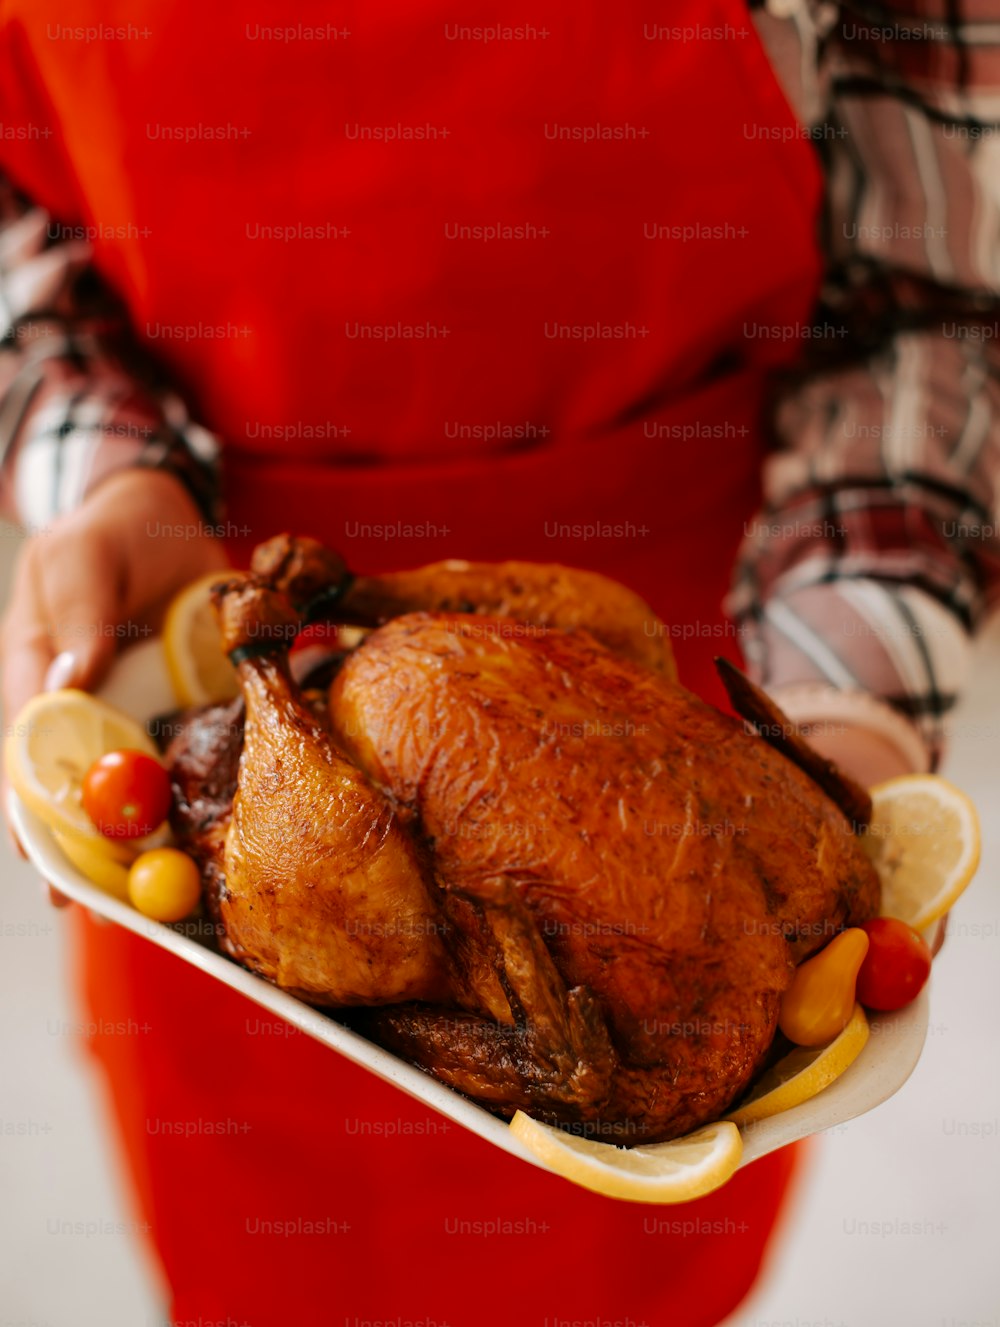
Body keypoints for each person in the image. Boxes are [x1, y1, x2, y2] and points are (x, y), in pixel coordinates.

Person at [1, 4, 997, 1324]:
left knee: (632, 1258)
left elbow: (925, 304)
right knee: (263, 1259)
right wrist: (104, 461)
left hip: (689, 662)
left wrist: (841, 696)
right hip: (213, 677)